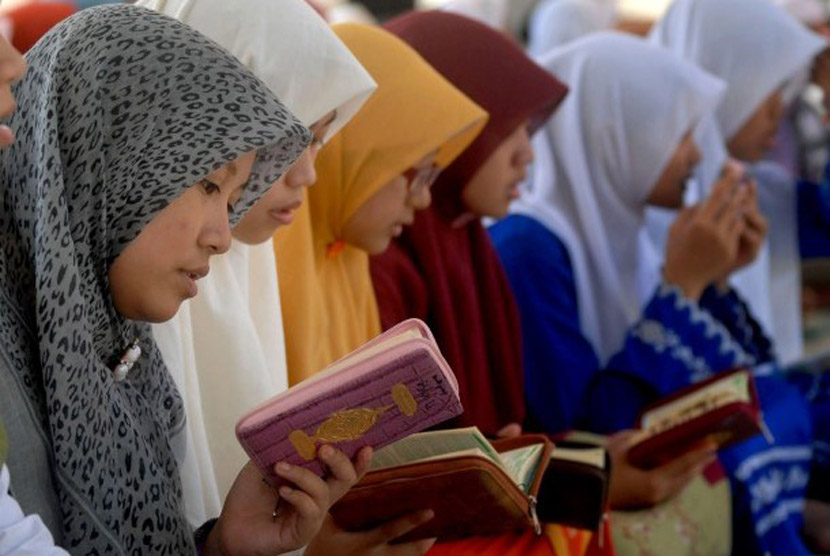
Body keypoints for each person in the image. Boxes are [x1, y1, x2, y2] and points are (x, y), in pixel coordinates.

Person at [0, 6, 367, 554]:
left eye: (236, 197)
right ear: (111, 160)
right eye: (208, 184)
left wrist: (220, 547)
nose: (222, 235)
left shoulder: (128, 363)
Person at [491, 30, 820, 555]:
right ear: (615, 134)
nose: (695, 155)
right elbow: (597, 429)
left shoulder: (624, 231)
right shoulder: (528, 251)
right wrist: (684, 286)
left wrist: (712, 279)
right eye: (678, 133)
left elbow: (715, 381)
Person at [141, 0, 377, 525]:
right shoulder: (133, 286)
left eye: (317, 141)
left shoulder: (245, 259)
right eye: (285, 139)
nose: (307, 175)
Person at [276, 21, 486, 387]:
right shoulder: (272, 269)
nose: (423, 199)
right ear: (353, 155)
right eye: (418, 174)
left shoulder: (344, 258)